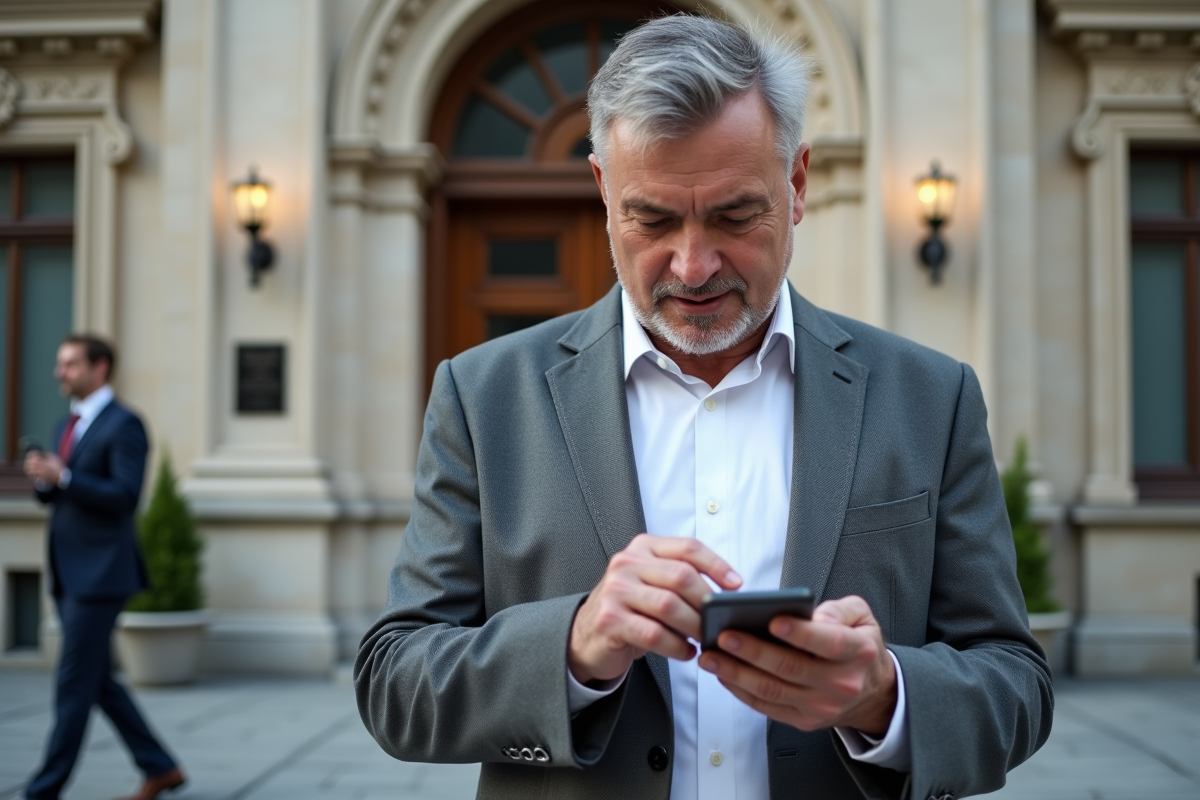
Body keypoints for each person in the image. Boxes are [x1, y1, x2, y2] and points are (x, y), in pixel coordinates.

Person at [356, 15, 1052, 800]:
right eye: (651, 219)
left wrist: (883, 695)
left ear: (797, 185)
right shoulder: (483, 398)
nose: (693, 265)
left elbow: (1016, 688)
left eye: (733, 215)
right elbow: (394, 688)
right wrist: (572, 649)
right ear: (602, 192)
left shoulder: (931, 397)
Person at [23, 334, 185, 800]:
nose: (60, 373)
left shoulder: (125, 424)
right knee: (96, 682)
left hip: (101, 574)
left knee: (73, 684)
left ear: (100, 368)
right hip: (67, 569)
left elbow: (124, 496)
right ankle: (161, 767)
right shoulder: (66, 425)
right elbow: (60, 496)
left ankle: (42, 790)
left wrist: (66, 476)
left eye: (70, 364)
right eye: (60, 363)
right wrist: (46, 481)